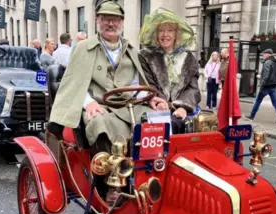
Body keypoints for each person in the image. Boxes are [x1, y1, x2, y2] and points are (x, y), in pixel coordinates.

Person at [49, 0, 159, 153]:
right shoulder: (83, 48)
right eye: (105, 19)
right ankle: (104, 173)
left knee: (157, 118)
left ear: (121, 22)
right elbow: (75, 84)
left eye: (115, 19)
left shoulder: (132, 50)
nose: (111, 23)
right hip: (99, 105)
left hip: (128, 105)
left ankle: (150, 168)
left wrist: (149, 97)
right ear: (97, 20)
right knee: (99, 122)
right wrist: (89, 103)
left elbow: (136, 84)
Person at [137, 7, 201, 134]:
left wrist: (183, 107)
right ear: (156, 34)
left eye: (170, 30)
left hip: (183, 109)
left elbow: (192, 89)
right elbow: (147, 84)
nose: (165, 35)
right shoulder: (145, 56)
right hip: (154, 107)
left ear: (176, 34)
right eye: (161, 30)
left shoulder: (188, 58)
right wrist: (159, 102)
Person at [245, 49, 276, 124]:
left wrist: (262, 86)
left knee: (258, 101)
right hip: (273, 86)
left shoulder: (267, 62)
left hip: (266, 86)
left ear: (268, 54)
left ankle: (251, 116)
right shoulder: (275, 62)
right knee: (275, 103)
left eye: (264, 54)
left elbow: (265, 76)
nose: (263, 56)